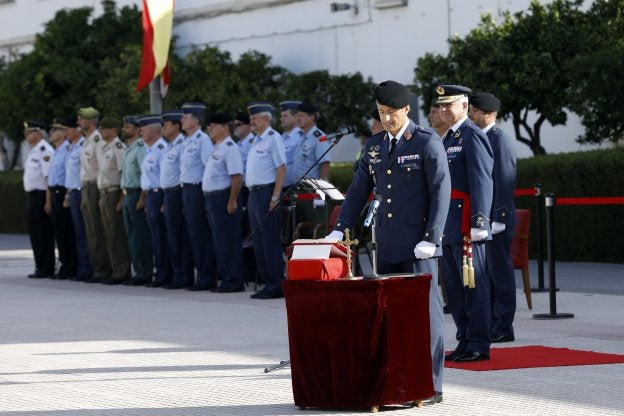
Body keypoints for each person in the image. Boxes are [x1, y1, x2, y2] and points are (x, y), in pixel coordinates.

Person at [326, 80, 450, 404]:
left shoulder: (426, 142)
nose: (386, 118)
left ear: (406, 109)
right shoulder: (375, 145)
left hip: (419, 245)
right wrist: (340, 228)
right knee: (392, 314)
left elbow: (441, 191)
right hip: (387, 242)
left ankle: (431, 385)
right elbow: (358, 190)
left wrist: (432, 237)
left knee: (425, 313)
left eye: (392, 112)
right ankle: (400, 382)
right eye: (381, 112)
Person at [436, 84, 494, 363]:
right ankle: (464, 339)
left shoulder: (472, 135)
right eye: (441, 105)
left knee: (473, 285)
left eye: (449, 104)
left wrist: (480, 221)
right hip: (448, 222)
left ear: (465, 106)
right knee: (454, 288)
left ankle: (479, 343)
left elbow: (482, 179)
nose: (444, 110)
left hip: (466, 223)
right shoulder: (448, 137)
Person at [469, 92, 518, 343]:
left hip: (496, 219)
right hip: (483, 219)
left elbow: (505, 179)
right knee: (486, 274)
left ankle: (503, 325)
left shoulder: (499, 139)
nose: (471, 113)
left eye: (475, 110)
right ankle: (491, 322)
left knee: (500, 272)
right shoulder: (480, 137)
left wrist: (499, 216)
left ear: (489, 114)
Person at [246, 102, 287, 299]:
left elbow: (281, 168)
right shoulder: (256, 140)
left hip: (266, 193)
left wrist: (275, 196)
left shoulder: (273, 138)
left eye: (254, 118)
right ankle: (267, 282)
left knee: (269, 241)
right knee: (259, 241)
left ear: (266, 119)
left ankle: (276, 284)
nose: (251, 121)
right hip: (253, 194)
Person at [202, 112, 245, 292]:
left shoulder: (229, 147)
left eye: (214, 126)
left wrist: (232, 200)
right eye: (209, 126)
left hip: (223, 198)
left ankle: (233, 280)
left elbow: (237, 177)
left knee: (228, 240)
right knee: (219, 240)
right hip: (212, 198)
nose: (210, 129)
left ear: (225, 127)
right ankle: (226, 278)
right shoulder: (217, 148)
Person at [179, 102, 219, 291]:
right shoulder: (186, 141)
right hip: (186, 189)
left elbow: (207, 168)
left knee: (200, 234)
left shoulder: (202, 140)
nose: (181, 120)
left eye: (185, 117)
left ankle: (207, 276)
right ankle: (200, 275)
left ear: (195, 120)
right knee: (192, 235)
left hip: (197, 190)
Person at [160, 110, 194, 289]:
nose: (163, 128)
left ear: (176, 126)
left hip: (177, 193)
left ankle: (184, 275)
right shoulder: (170, 145)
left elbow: (184, 172)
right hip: (168, 194)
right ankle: (177, 273)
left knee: (180, 237)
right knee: (172, 236)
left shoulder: (182, 144)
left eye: (166, 124)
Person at [78, 107, 112, 283]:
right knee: (91, 231)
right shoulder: (87, 141)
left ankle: (103, 269)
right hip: (86, 187)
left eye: (81, 118)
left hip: (95, 188)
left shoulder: (98, 141)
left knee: (97, 231)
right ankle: (97, 267)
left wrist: (100, 194)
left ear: (90, 121)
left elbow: (102, 169)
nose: (78, 121)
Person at [96, 117, 131, 284]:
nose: (102, 131)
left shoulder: (118, 147)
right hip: (104, 193)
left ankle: (122, 270)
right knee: (108, 234)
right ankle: (114, 268)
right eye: (101, 129)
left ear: (113, 130)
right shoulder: (104, 148)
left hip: (114, 193)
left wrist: (122, 198)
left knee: (116, 233)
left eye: (105, 129)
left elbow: (124, 173)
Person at [139, 114, 172, 288]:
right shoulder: (150, 150)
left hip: (159, 195)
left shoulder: (161, 149)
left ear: (153, 131)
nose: (141, 132)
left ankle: (164, 274)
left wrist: (163, 201)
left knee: (161, 237)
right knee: (155, 237)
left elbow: (164, 177)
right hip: (151, 195)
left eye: (144, 129)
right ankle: (160, 271)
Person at [120, 115, 153, 286]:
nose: (124, 129)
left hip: (137, 194)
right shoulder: (130, 148)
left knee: (140, 237)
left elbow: (145, 174)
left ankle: (145, 272)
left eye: (128, 126)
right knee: (132, 237)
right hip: (128, 194)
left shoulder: (140, 147)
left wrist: (142, 198)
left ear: (137, 129)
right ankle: (138, 270)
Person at [22, 121, 55, 278]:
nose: (26, 135)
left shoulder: (45, 150)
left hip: (41, 195)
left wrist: (48, 201)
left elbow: (48, 178)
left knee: (43, 233)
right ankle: (39, 266)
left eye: (30, 132)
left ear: (39, 133)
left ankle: (47, 267)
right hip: (32, 196)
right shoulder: (33, 151)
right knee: (35, 233)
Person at [63, 115, 93, 282]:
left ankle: (88, 267)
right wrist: (68, 195)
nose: (66, 133)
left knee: (85, 231)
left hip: (83, 192)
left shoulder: (83, 146)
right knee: (78, 233)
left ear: (77, 130)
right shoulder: (71, 147)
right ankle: (82, 266)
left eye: (68, 129)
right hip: (73, 192)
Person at [46, 118, 76, 279]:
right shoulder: (57, 150)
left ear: (64, 133)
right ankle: (65, 265)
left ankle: (70, 266)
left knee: (66, 231)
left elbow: (69, 175)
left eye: (55, 130)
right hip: (55, 193)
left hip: (63, 192)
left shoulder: (67, 150)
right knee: (59, 232)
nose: (51, 133)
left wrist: (67, 196)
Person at [294, 103, 331, 181]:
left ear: (311, 118)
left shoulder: (319, 137)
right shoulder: (302, 136)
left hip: (311, 187)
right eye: (297, 116)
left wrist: (321, 187)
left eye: (301, 116)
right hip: (298, 186)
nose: (297, 119)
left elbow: (325, 165)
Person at [278, 100, 303, 190]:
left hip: (295, 187)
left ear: (296, 117)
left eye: (285, 116)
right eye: (281, 116)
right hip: (280, 187)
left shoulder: (301, 137)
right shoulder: (280, 137)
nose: (281, 119)